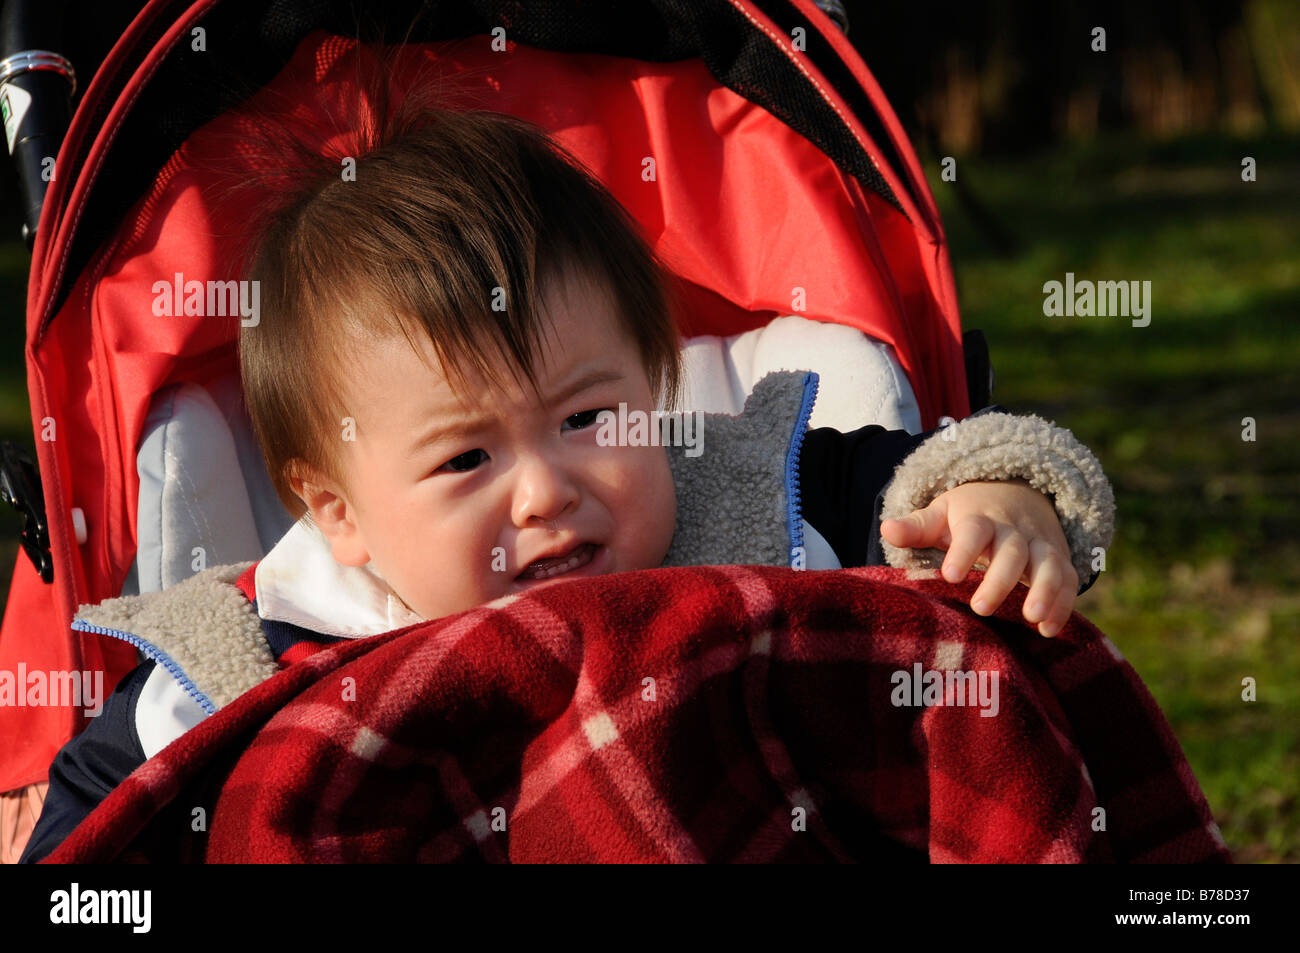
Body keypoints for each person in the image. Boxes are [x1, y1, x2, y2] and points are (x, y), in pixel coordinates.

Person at [20, 106, 1112, 862]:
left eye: (589, 418)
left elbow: (949, 477)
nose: (545, 490)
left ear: (653, 381)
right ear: (339, 513)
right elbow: (99, 826)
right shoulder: (257, 648)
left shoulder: (760, 496)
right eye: (464, 459)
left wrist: (1009, 500)